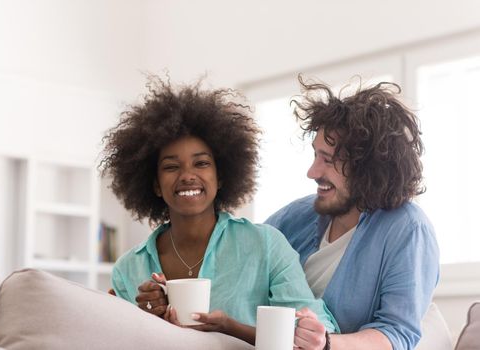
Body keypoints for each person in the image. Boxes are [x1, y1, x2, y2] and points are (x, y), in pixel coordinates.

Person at [99, 76, 338, 346]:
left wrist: (230, 327)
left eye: (201, 163)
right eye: (171, 167)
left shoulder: (265, 246)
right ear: (154, 184)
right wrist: (144, 320)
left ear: (221, 176)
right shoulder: (129, 269)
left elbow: (308, 330)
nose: (187, 176)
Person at [265, 77, 439, 350]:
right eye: (315, 156)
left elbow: (397, 333)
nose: (312, 172)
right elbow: (240, 250)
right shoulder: (298, 215)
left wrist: (326, 344)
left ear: (368, 168)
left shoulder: (408, 229)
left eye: (328, 160)